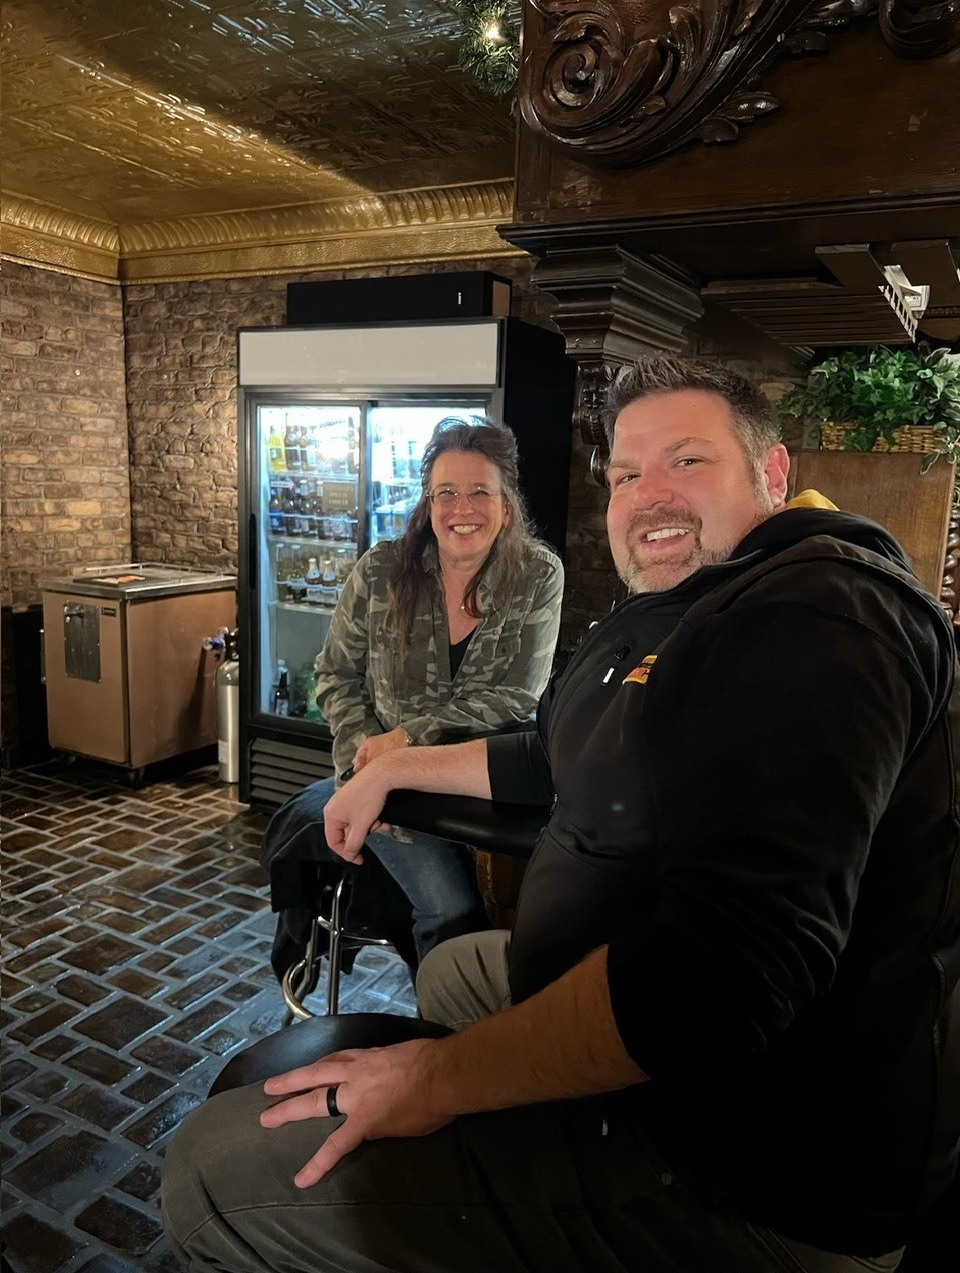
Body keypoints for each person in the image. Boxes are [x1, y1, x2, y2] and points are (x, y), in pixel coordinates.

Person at [163, 355, 959, 1273]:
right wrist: (391, 768)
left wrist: (436, 1080)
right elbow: (549, 752)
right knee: (459, 969)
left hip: (751, 1160)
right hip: (687, 1064)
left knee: (208, 1173)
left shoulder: (821, 616)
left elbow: (726, 972)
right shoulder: (694, 606)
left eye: (688, 462)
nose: (650, 496)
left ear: (773, 475)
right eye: (627, 474)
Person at [263, 416, 564, 980]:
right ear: (427, 503)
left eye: (480, 491)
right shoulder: (380, 570)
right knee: (448, 907)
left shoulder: (538, 574)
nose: (462, 508)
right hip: (389, 789)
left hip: (476, 782)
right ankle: (442, 1038)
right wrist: (365, 765)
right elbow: (334, 677)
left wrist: (402, 742)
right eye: (445, 492)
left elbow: (516, 694)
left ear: (507, 503)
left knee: (533, 909)